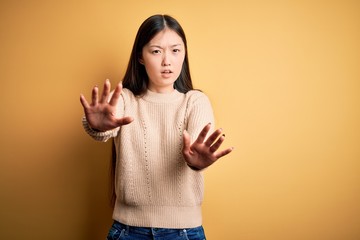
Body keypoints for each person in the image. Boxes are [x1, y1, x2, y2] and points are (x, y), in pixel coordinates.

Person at [80, 14, 233, 240]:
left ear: (184, 54)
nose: (167, 61)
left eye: (175, 50)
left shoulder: (195, 101)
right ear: (140, 57)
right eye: (156, 51)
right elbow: (106, 129)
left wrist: (198, 161)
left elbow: (200, 145)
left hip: (184, 232)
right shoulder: (125, 99)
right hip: (128, 231)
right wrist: (98, 127)